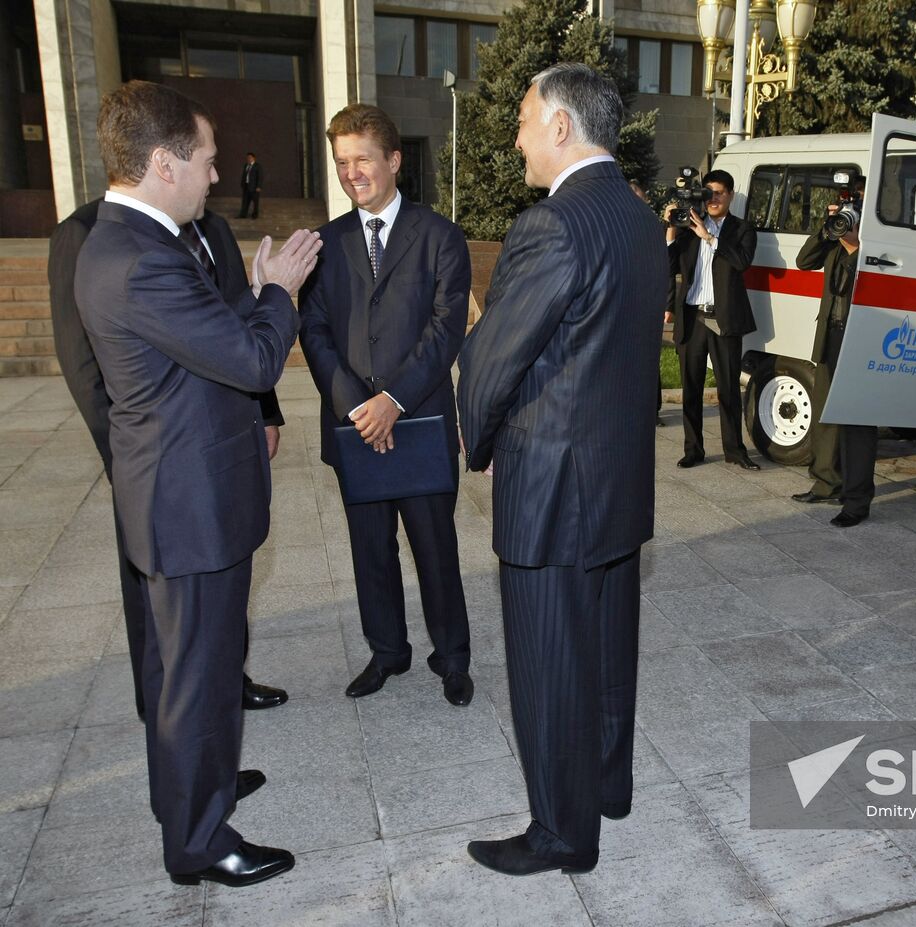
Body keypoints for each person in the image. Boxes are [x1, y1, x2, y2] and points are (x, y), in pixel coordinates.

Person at [75, 79, 320, 887]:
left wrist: (250, 297)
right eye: (208, 162)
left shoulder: (131, 241)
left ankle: (189, 792)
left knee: (180, 673)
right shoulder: (141, 258)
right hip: (191, 507)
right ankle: (200, 838)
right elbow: (250, 359)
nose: (218, 177)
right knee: (198, 679)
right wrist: (279, 289)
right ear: (163, 162)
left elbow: (207, 349)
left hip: (179, 496)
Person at [457, 62, 667, 877]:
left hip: (552, 488)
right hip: (618, 478)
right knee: (610, 650)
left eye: (520, 119)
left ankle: (562, 834)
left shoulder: (552, 226)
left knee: (551, 668)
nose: (514, 137)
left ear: (560, 127)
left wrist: (477, 437)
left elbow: (492, 361)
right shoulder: (637, 217)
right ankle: (607, 788)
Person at [50, 199, 290, 721]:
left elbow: (229, 327)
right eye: (203, 157)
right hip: (158, 462)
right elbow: (82, 364)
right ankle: (168, 715)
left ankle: (226, 684)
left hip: (220, 444)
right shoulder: (87, 235)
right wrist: (123, 454)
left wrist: (263, 415)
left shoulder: (212, 228)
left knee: (219, 588)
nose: (213, 174)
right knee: (164, 612)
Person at [299, 104, 474, 706]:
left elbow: (447, 327)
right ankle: (387, 652)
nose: (352, 173)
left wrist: (393, 400)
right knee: (370, 550)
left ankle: (452, 657)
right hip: (355, 427)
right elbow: (313, 329)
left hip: (419, 420)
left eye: (363, 160)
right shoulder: (325, 243)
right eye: (342, 162)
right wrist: (357, 405)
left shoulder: (440, 236)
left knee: (435, 552)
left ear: (394, 161)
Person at [789, 194, 877, 528]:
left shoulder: (873, 249)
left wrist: (855, 244)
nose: (845, 222)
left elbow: (871, 278)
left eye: (849, 217)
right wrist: (826, 231)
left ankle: (857, 500)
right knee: (826, 412)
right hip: (831, 336)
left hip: (862, 341)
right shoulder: (833, 243)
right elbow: (803, 260)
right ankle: (827, 482)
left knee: (857, 422)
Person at [666, 169, 760, 471]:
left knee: (728, 388)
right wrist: (671, 230)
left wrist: (710, 237)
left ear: (730, 195)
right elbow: (668, 265)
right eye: (709, 192)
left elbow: (741, 262)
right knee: (690, 387)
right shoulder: (690, 225)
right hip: (693, 318)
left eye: (719, 192)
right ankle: (693, 449)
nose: (713, 198)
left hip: (724, 318)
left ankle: (735, 449)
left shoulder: (742, 229)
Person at [631, 179, 666, 426]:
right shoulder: (613, 226)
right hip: (621, 303)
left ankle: (653, 410)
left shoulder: (652, 226)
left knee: (649, 359)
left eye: (640, 198)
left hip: (647, 303)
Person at [238, 152, 261, 219]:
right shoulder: (246, 165)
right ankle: (243, 214)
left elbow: (260, 177)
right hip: (246, 186)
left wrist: (259, 186)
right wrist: (242, 184)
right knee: (245, 201)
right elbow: (244, 175)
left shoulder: (257, 166)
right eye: (247, 158)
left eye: (250, 157)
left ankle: (254, 215)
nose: (248, 159)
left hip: (254, 188)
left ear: (254, 158)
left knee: (255, 202)